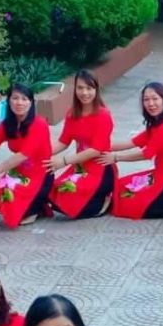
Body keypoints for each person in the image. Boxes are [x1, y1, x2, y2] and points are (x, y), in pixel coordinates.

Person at [103, 82, 163, 220]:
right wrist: (100, 147)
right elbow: (132, 143)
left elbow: (146, 154)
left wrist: (116, 157)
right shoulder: (158, 123)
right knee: (121, 187)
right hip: (161, 175)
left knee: (129, 203)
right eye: (146, 99)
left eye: (155, 99)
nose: (151, 103)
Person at [0, 83, 54, 229]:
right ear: (8, 101)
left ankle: (38, 206)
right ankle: (35, 207)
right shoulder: (8, 124)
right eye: (15, 98)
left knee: (11, 196)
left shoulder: (39, 124)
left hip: (40, 174)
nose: (19, 102)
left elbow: (23, 155)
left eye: (24, 99)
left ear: (31, 102)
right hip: (19, 172)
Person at [46, 70, 117, 220]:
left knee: (70, 194)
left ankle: (105, 199)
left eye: (89, 88)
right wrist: (39, 153)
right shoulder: (72, 114)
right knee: (56, 192)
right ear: (75, 89)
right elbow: (63, 142)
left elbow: (95, 150)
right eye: (80, 88)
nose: (84, 93)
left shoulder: (103, 115)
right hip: (81, 166)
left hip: (101, 167)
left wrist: (63, 161)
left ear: (96, 89)